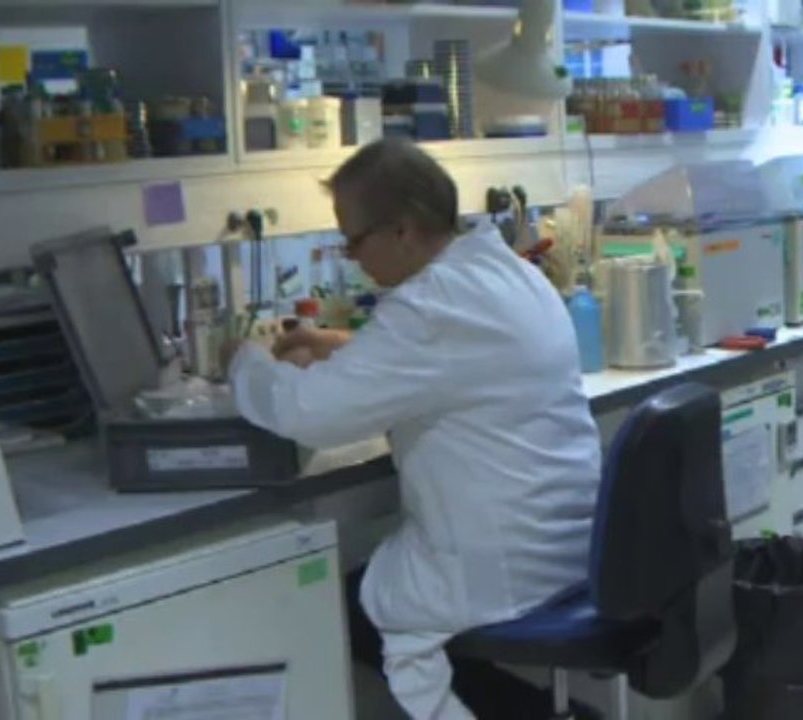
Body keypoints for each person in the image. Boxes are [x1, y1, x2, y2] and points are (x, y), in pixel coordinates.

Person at [225, 139, 603, 718]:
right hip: (570, 545)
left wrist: (242, 361)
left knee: (350, 608)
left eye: (354, 240)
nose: (353, 258)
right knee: (384, 593)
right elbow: (460, 362)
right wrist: (343, 346)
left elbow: (310, 415)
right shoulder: (502, 270)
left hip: (500, 565)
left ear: (401, 230)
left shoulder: (429, 307)